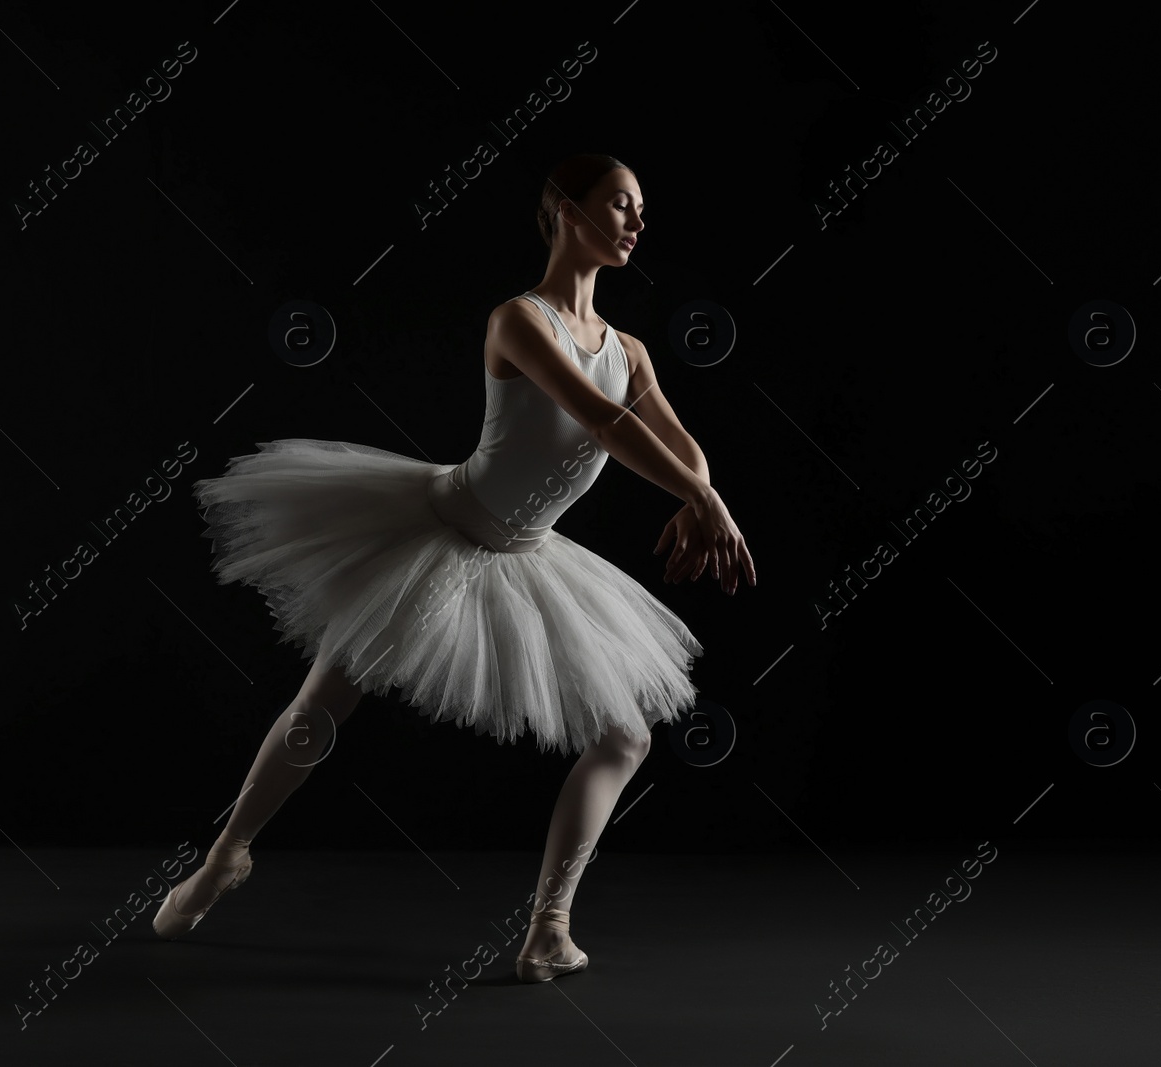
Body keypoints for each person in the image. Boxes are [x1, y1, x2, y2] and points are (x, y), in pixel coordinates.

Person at [153, 153, 756, 982]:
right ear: (568, 211)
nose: (636, 222)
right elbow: (605, 422)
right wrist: (704, 502)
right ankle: (226, 854)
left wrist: (700, 490)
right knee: (322, 705)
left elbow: (681, 444)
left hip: (531, 556)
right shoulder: (519, 321)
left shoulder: (633, 350)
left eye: (640, 209)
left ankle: (549, 924)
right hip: (437, 528)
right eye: (620, 204)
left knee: (627, 735)